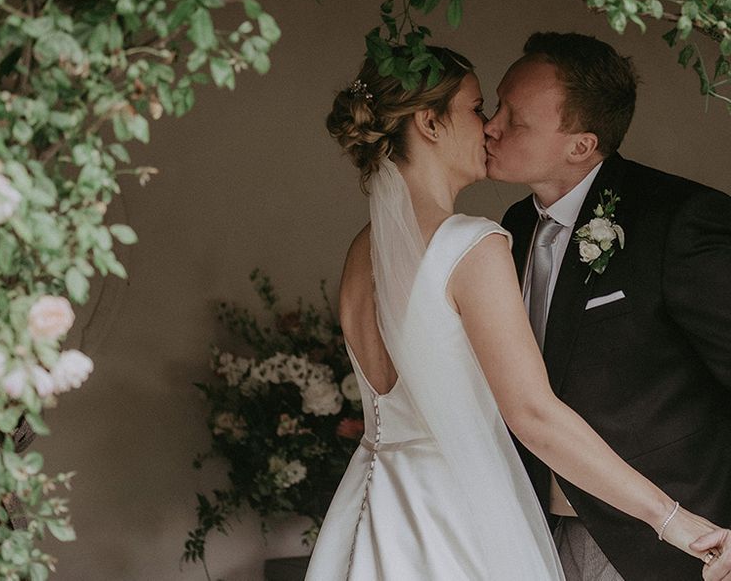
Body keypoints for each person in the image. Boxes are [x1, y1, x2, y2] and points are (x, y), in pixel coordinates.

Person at [305, 46, 724, 580]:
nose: (489, 127)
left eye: (502, 113)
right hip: (464, 514)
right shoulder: (474, 242)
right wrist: (670, 519)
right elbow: (532, 413)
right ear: (431, 124)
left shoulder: (364, 250)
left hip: (379, 504)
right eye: (480, 108)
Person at [485, 31, 731, 581]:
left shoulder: (679, 220)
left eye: (514, 117)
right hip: (538, 535)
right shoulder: (514, 227)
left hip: (671, 543)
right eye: (496, 103)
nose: (490, 125)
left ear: (581, 145)